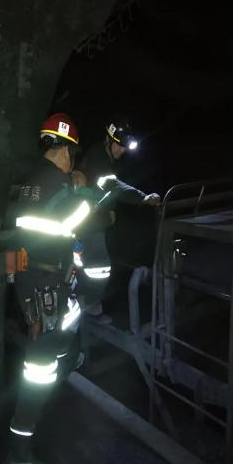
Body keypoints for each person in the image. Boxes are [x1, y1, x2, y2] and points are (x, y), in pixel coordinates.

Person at [6, 112, 94, 464]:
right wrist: (83, 191)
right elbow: (82, 218)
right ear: (66, 152)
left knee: (57, 344)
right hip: (44, 282)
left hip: (30, 278)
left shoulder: (29, 180)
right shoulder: (59, 185)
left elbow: (19, 232)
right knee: (39, 372)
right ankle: (19, 453)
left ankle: (56, 376)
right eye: (73, 155)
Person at [75, 118, 160, 324]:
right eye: (119, 146)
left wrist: (110, 211)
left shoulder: (107, 157)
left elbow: (107, 191)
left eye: (124, 148)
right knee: (100, 268)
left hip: (92, 221)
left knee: (84, 265)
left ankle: (82, 302)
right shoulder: (98, 158)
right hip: (87, 222)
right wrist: (143, 197)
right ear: (108, 140)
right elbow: (114, 187)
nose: (122, 151)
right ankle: (88, 306)